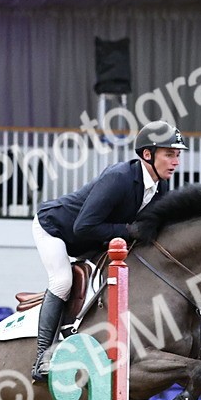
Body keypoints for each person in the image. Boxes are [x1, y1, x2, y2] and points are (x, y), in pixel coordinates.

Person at [29, 120, 187, 381]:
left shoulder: (160, 188)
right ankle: (42, 358)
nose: (176, 162)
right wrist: (128, 231)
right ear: (147, 154)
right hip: (57, 228)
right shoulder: (119, 178)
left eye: (177, 155)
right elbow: (83, 226)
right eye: (169, 154)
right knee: (62, 282)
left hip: (94, 239)